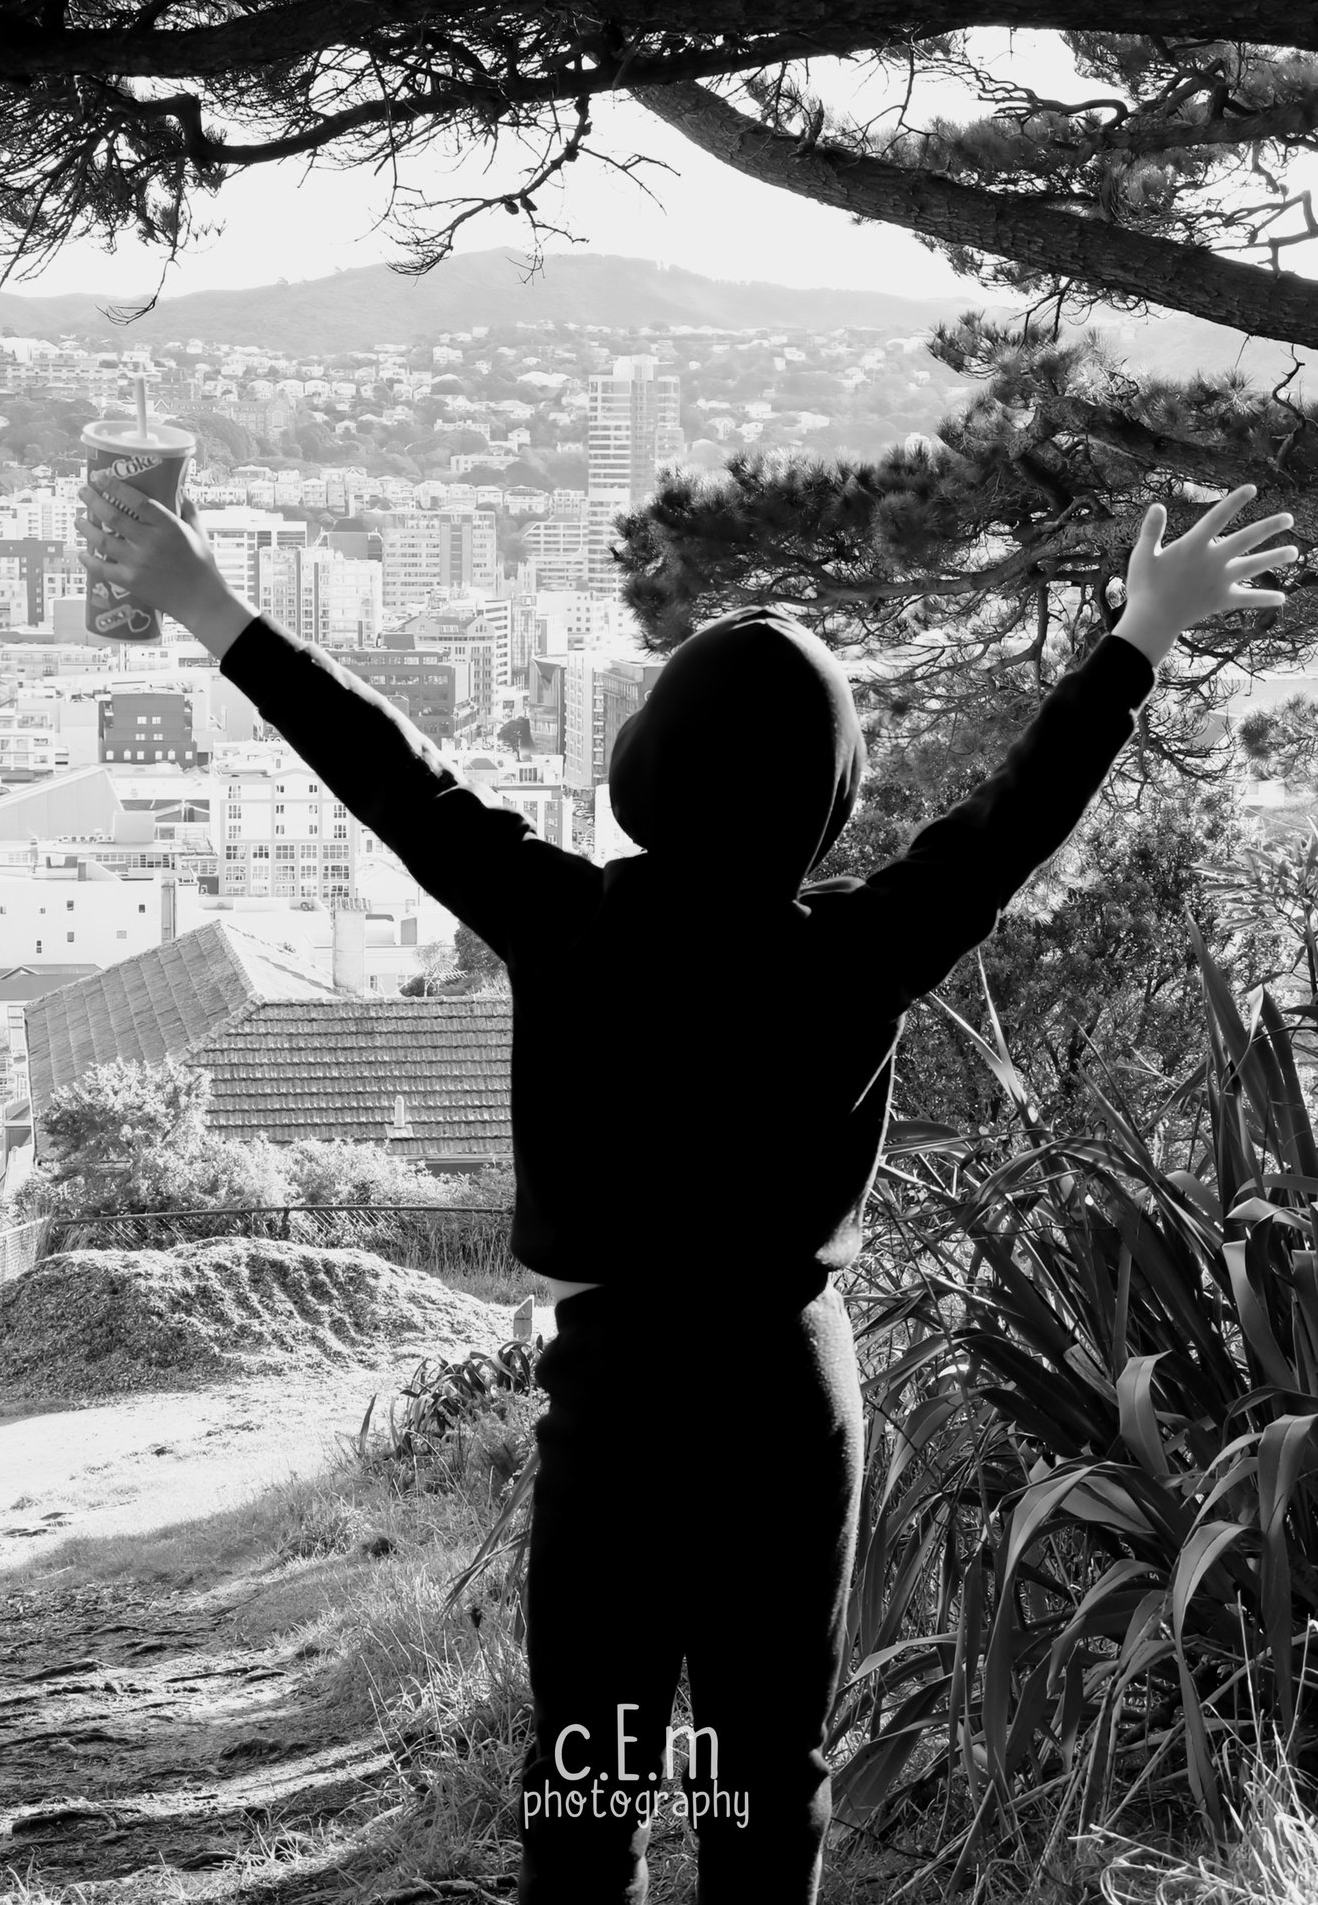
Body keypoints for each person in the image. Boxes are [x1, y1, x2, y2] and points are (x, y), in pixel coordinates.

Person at [76, 477, 1297, 1904]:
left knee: (586, 1778)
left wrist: (208, 602)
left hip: (619, 1391)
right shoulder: (859, 950)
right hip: (789, 1391)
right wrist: (1139, 635)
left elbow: (387, 770)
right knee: (767, 1776)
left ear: (650, 758)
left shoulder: (565, 918)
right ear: (825, 797)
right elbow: (1015, 814)